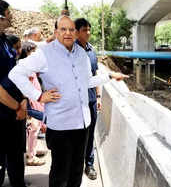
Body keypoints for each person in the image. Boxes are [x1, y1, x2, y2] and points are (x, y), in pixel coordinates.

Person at [9, 15, 128, 187]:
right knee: (60, 175)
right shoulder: (45, 54)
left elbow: (86, 81)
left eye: (71, 29)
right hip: (61, 126)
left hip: (82, 124)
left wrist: (109, 76)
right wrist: (39, 96)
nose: (68, 33)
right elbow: (15, 73)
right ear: (56, 32)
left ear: (76, 33)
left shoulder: (81, 54)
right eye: (63, 29)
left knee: (76, 173)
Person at [0, 0, 27, 187]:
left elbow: (16, 73)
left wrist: (24, 99)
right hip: (3, 114)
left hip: (15, 113)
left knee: (17, 157)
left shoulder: (4, 40)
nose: (11, 17)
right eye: (8, 14)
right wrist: (17, 106)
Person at [75, 18, 100, 180]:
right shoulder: (71, 50)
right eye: (85, 30)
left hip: (91, 99)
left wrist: (98, 96)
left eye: (89, 29)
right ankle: (75, 166)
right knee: (77, 135)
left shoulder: (91, 51)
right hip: (76, 102)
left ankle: (89, 164)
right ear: (77, 32)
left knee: (90, 134)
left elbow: (95, 75)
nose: (88, 33)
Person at [19, 42, 46, 166]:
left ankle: (32, 150)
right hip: (32, 104)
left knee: (34, 129)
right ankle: (31, 156)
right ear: (27, 52)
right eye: (33, 52)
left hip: (35, 102)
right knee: (33, 129)